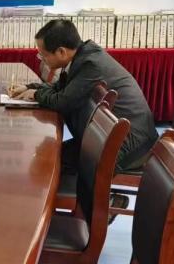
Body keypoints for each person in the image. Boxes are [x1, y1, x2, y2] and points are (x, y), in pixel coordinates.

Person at [8, 18, 158, 174]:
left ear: (61, 52)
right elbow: (60, 89)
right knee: (48, 154)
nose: (41, 59)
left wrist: (36, 94)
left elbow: (62, 102)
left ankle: (73, 191)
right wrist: (29, 87)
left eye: (43, 55)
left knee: (48, 161)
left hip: (129, 147)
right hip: (106, 136)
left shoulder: (91, 64)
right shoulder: (81, 56)